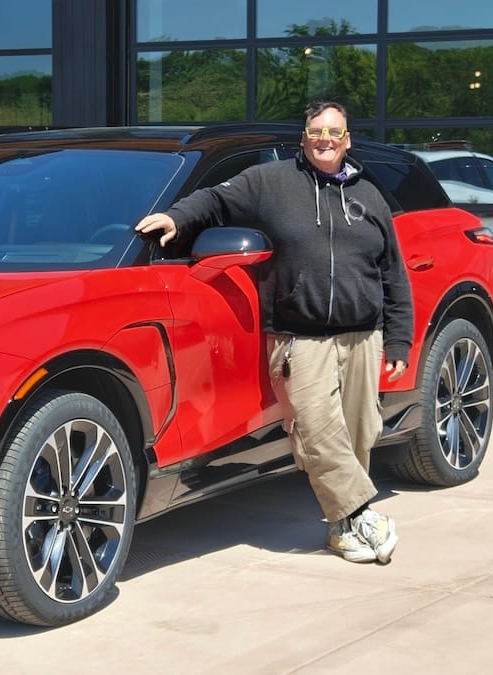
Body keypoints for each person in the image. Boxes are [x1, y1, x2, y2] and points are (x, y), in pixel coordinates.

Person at [134, 100, 413, 564]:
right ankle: (363, 513)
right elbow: (216, 199)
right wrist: (176, 217)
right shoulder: (272, 182)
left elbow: (392, 271)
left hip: (363, 335)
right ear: (304, 136)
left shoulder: (369, 194)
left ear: (348, 140)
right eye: (317, 130)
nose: (325, 139)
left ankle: (344, 530)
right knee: (317, 431)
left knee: (360, 432)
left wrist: (398, 337)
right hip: (299, 339)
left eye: (335, 132)